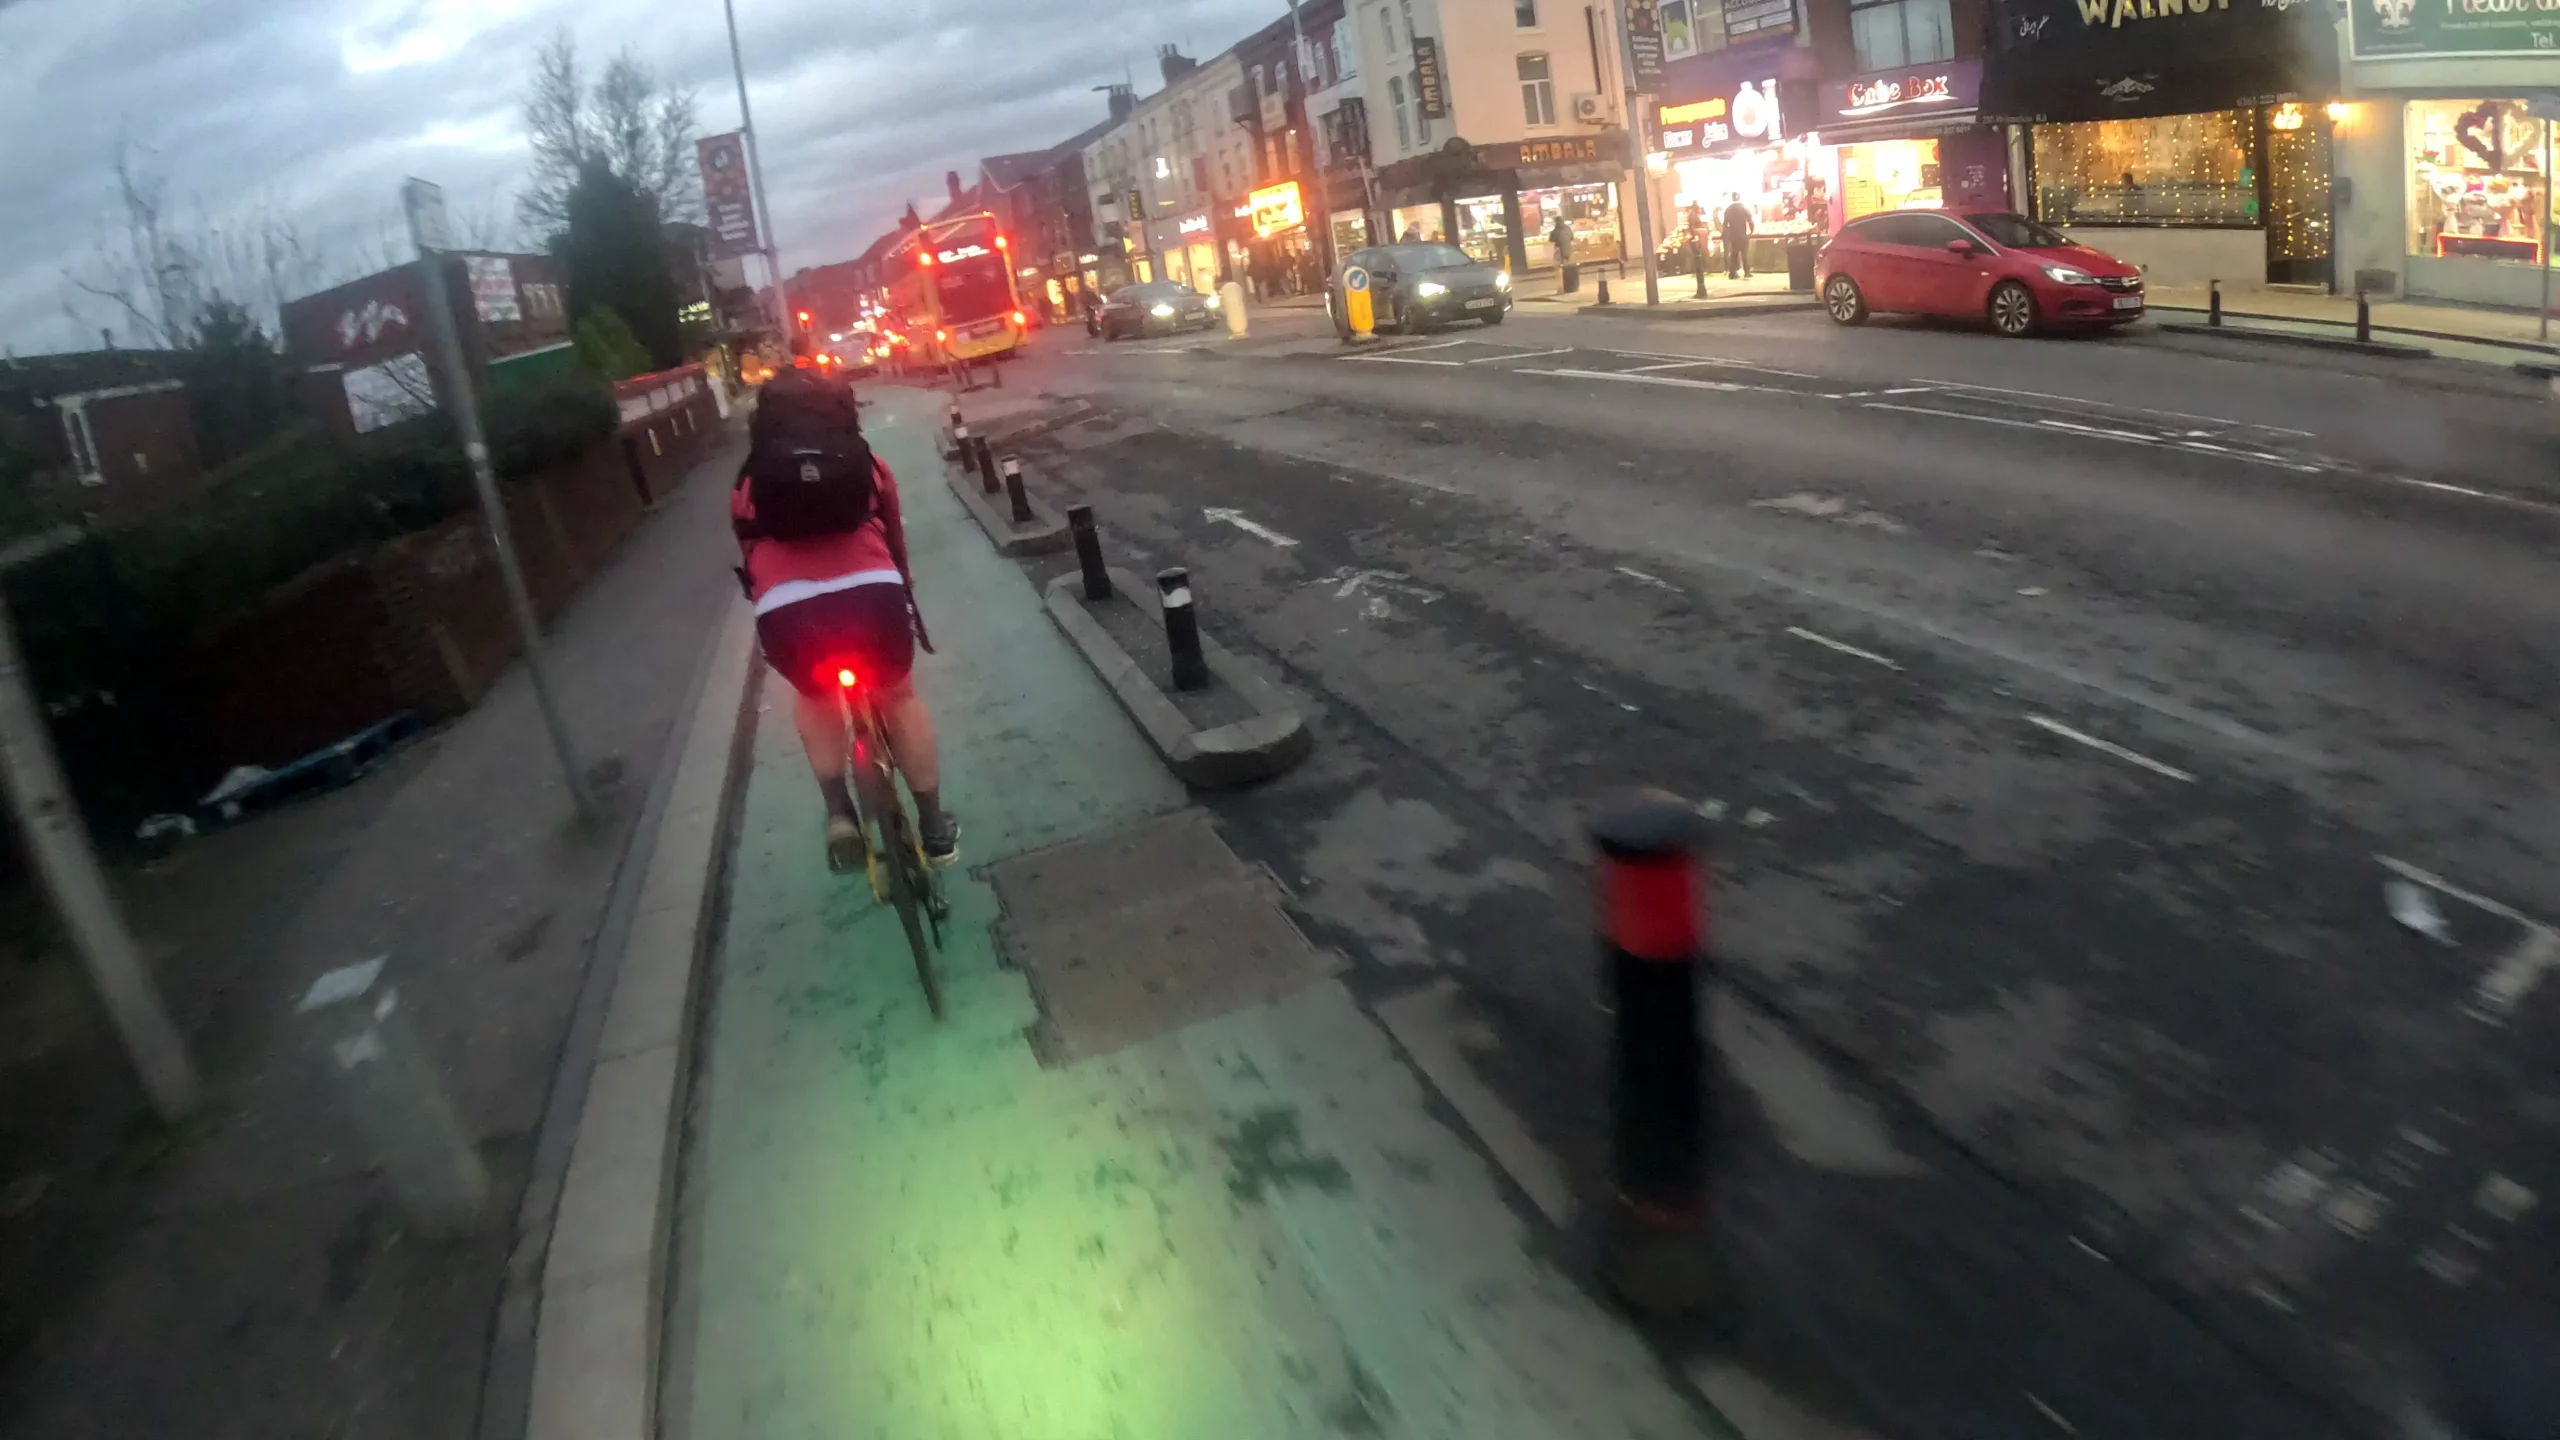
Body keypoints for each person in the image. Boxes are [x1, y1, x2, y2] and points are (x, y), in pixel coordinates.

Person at [732, 366, 959, 873]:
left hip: (787, 609)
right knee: (898, 696)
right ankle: (935, 829)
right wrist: (903, 593)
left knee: (814, 697)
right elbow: (895, 541)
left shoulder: (748, 481)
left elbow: (749, 555)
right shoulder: (869, 466)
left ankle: (839, 814)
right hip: (870, 594)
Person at [1721, 194, 1754, 280]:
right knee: (1745, 254)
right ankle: (1747, 272)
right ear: (1739, 197)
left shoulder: (1728, 209)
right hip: (1743, 234)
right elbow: (1750, 220)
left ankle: (1732, 273)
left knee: (1734, 255)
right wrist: (1751, 231)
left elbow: (1725, 224)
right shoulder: (1743, 208)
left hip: (1733, 235)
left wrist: (1725, 235)